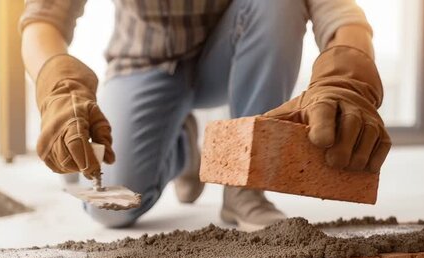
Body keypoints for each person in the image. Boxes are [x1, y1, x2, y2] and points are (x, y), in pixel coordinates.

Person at [20, 0, 391, 231]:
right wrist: (59, 83)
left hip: (227, 50)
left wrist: (348, 76)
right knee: (112, 208)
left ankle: (245, 188)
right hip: (144, 63)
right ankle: (182, 147)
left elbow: (338, 10)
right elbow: (43, 18)